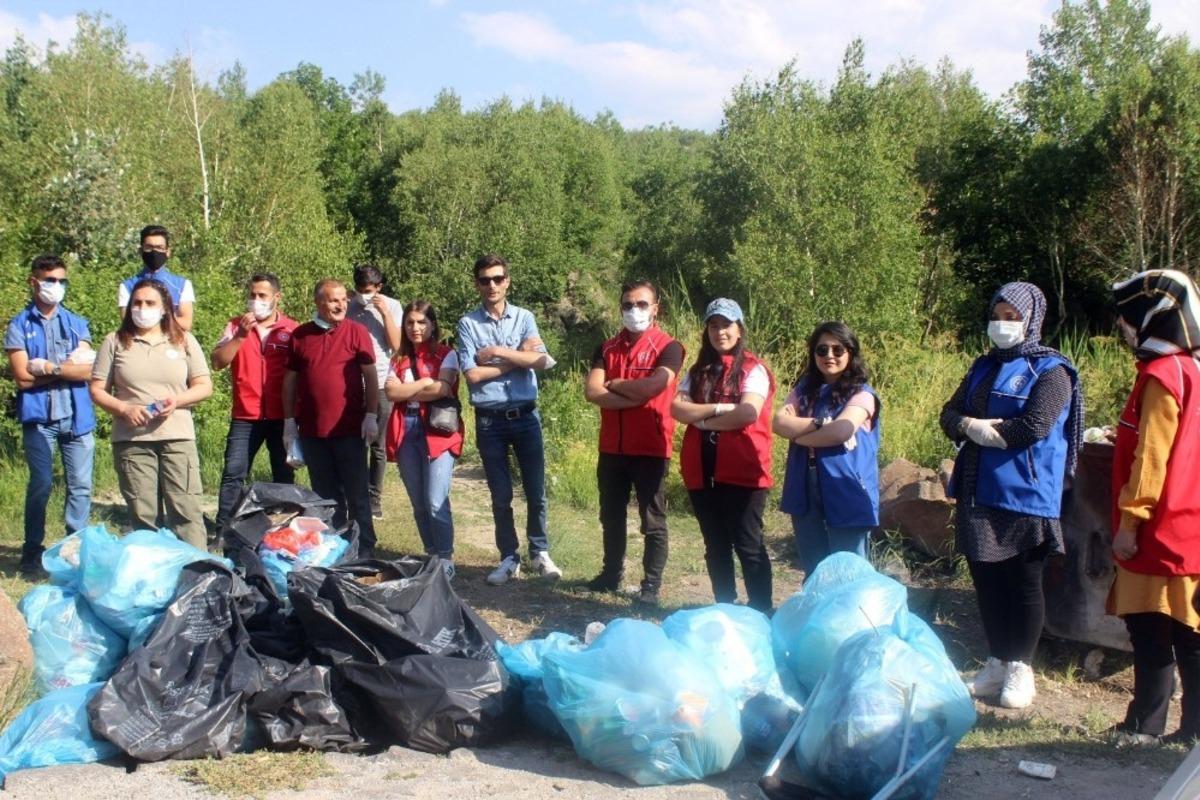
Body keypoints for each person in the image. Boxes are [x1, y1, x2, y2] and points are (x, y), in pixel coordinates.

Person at [939, 281, 1083, 710]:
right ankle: (998, 661)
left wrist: (984, 429)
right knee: (987, 580)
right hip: (977, 489)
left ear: (1032, 319)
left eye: (1012, 317)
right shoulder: (982, 366)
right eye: (997, 317)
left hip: (1023, 492)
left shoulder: (1052, 371)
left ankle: (1022, 667)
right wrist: (967, 426)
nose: (1003, 325)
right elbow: (948, 412)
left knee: (1023, 582)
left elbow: (1034, 427)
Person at [1107, 269, 1200, 747]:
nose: (1124, 327)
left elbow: (1153, 457)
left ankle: (1146, 724)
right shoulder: (1192, 369)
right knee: (1187, 628)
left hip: (1162, 526)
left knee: (1152, 626)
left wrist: (1130, 520)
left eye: (1127, 319)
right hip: (1190, 524)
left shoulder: (1163, 375)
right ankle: (1189, 731)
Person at [456, 254, 563, 585]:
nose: (492, 285)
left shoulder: (525, 317)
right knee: (500, 493)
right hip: (490, 421)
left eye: (498, 278)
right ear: (477, 284)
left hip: (526, 416)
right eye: (485, 280)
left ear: (508, 281)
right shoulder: (467, 324)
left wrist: (497, 352)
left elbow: (544, 361)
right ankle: (508, 556)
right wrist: (519, 357)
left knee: (535, 489)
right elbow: (473, 376)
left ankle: (540, 552)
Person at [90, 279, 213, 548]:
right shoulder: (115, 341)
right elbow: (97, 390)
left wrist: (176, 400)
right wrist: (124, 409)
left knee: (187, 510)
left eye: (149, 303)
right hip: (132, 442)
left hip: (177, 438)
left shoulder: (183, 340)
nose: (142, 308)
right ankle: (150, 577)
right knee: (143, 515)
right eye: (137, 302)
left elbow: (204, 386)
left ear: (165, 308)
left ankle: (198, 574)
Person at [670, 298, 775, 613]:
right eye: (713, 325)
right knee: (715, 546)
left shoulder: (754, 370)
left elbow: (746, 413)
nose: (720, 332)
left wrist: (698, 419)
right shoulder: (698, 370)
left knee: (748, 545)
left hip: (743, 472)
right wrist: (716, 411)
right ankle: (725, 609)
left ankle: (761, 610)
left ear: (740, 329)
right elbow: (677, 408)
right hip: (702, 471)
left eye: (726, 325)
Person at [583, 279, 684, 604]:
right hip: (611, 447)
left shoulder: (669, 347)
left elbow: (653, 388)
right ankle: (610, 575)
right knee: (610, 515)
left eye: (641, 304)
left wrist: (617, 384)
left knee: (652, 520)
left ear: (656, 308)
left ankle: (650, 587)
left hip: (651, 447)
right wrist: (633, 393)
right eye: (628, 304)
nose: (634, 310)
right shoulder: (606, 348)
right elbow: (592, 392)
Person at [5, 254, 96, 577]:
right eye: (49, 281)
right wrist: (67, 370)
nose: (56, 287)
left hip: (77, 417)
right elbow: (22, 377)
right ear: (34, 282)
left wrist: (49, 367)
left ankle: (75, 550)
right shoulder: (19, 326)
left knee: (81, 486)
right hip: (39, 419)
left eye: (61, 281)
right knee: (41, 484)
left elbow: (88, 370)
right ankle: (32, 551)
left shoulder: (76, 323)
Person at [773, 322, 880, 576]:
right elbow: (778, 423)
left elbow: (841, 431)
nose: (829, 356)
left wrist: (798, 434)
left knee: (849, 569)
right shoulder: (804, 390)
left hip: (846, 485)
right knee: (814, 568)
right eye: (822, 350)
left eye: (837, 349)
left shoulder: (863, 394)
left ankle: (852, 617)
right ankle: (818, 615)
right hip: (804, 482)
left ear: (850, 353)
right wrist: (819, 424)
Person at [282, 279, 379, 555]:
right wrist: (289, 423)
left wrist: (371, 414)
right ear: (318, 302)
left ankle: (365, 547)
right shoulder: (300, 336)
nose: (340, 305)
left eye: (343, 300)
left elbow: (370, 376)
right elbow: (289, 382)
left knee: (357, 494)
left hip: (349, 429)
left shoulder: (357, 332)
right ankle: (335, 548)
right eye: (333, 300)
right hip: (313, 432)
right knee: (325, 497)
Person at [210, 273, 299, 533]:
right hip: (245, 414)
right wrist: (240, 335)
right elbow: (217, 362)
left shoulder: (292, 329)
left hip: (282, 415)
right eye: (252, 295)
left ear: (276, 298)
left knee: (283, 475)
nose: (256, 300)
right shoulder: (234, 325)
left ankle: (284, 530)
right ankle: (224, 530)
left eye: (262, 295)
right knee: (234, 473)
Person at [384, 300, 462, 577]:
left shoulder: (446, 354)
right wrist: (422, 385)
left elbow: (442, 388)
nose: (415, 328)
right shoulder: (399, 359)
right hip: (406, 428)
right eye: (409, 322)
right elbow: (391, 394)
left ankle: (445, 557)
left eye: (421, 322)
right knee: (418, 500)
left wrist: (406, 389)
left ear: (432, 324)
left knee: (434, 498)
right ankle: (431, 553)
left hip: (437, 429)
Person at [348, 264, 404, 519]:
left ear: (379, 287)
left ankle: (374, 501)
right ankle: (353, 496)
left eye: (368, 290)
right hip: (350, 384)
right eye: (359, 290)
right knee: (352, 443)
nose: (363, 295)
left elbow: (397, 345)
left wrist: (383, 313)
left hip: (381, 382)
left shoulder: (392, 305)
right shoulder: (348, 305)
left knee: (377, 446)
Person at [119, 225, 195, 331]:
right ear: (141, 251)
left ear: (168, 252)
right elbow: (128, 325)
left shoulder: (182, 285)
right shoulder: (127, 287)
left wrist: (149, 319)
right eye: (149, 247)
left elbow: (186, 324)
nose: (154, 252)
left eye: (159, 247)